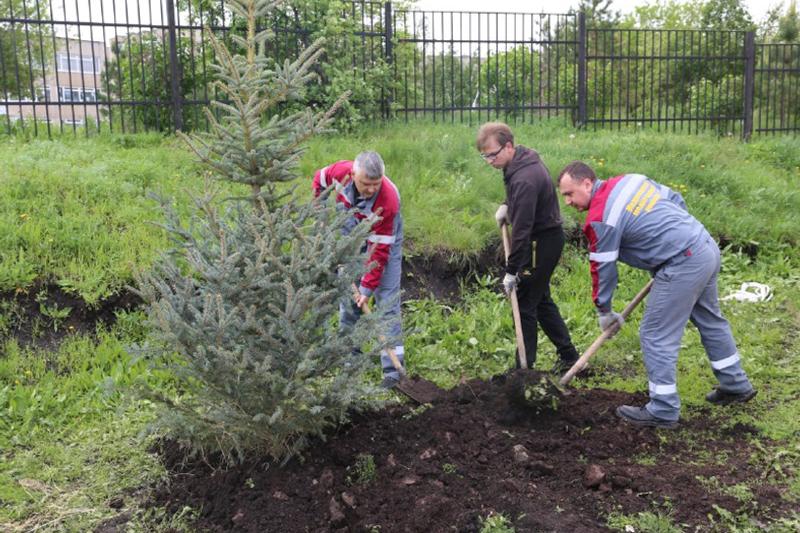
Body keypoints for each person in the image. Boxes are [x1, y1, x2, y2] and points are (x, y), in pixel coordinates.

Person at [557, 161, 757, 428]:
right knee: (710, 319)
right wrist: (677, 236)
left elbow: (603, 269)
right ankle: (735, 384)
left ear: (587, 183)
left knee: (655, 334)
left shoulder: (600, 219)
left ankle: (662, 409)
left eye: (569, 194)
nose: (568, 202)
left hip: (683, 262)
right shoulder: (630, 180)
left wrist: (604, 311)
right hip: (703, 245)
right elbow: (675, 199)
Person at [476, 122, 580, 373]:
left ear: (508, 146)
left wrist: (512, 271)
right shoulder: (521, 159)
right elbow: (519, 201)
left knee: (524, 301)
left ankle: (524, 368)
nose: (489, 161)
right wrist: (507, 204)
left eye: (492, 155)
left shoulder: (525, 179)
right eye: (485, 156)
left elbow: (521, 232)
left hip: (540, 243)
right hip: (543, 238)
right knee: (540, 299)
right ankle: (570, 357)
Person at [312, 151, 404, 389]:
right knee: (349, 298)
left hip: (382, 239)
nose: (371, 189)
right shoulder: (339, 172)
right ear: (353, 175)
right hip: (350, 232)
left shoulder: (388, 201)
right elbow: (318, 180)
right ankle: (349, 359)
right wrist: (320, 217)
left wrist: (367, 288)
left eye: (376, 184)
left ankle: (393, 372)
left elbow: (379, 254)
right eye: (366, 183)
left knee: (387, 298)